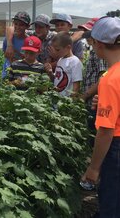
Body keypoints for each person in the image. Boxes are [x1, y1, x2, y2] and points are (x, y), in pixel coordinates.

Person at [82, 16, 120, 217]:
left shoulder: (109, 79)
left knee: (111, 202)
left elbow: (106, 131)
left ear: (97, 44)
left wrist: (94, 168)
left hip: (116, 147)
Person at [79, 20, 108, 142]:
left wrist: (85, 95)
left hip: (94, 101)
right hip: (92, 100)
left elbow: (102, 78)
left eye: (89, 33)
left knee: (94, 133)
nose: (87, 37)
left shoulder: (99, 53)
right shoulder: (93, 51)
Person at [44, 32, 82, 97]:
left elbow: (76, 86)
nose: (55, 52)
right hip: (57, 99)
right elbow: (57, 80)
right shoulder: (60, 60)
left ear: (68, 47)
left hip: (66, 102)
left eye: (57, 50)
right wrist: (50, 73)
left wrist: (71, 102)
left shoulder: (75, 61)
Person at [2, 11, 31, 78]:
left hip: (22, 74)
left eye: (21, 25)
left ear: (27, 26)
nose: (18, 27)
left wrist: (16, 54)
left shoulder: (29, 41)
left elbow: (29, 59)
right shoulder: (8, 39)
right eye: (16, 24)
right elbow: (6, 54)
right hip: (7, 72)